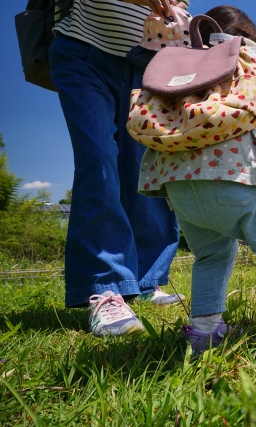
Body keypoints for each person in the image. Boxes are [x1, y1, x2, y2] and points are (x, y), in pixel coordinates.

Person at [136, 5, 256, 361]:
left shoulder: (179, 62)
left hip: (178, 184)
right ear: (248, 36)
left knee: (210, 255)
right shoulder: (255, 56)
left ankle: (204, 333)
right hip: (241, 172)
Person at [49, 0, 187, 337]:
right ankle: (106, 287)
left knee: (145, 168)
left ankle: (147, 281)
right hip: (84, 50)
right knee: (98, 158)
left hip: (145, 64)